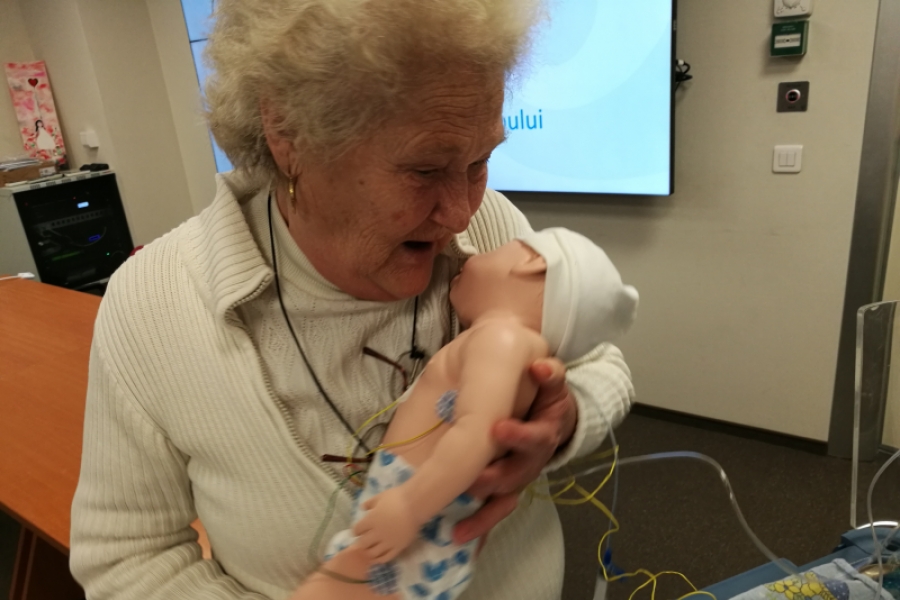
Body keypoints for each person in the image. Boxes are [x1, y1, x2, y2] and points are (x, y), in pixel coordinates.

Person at [69, 1, 635, 599]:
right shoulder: (156, 302)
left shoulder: (492, 230)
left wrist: (563, 417)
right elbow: (128, 558)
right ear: (287, 132)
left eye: (480, 161)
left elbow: (602, 364)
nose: (462, 211)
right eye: (424, 169)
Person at [295, 228, 638, 600]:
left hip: (418, 510)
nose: (469, 257)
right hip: (440, 529)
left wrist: (410, 506)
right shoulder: (524, 350)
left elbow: (478, 433)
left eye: (498, 249)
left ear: (531, 264)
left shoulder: (500, 338)